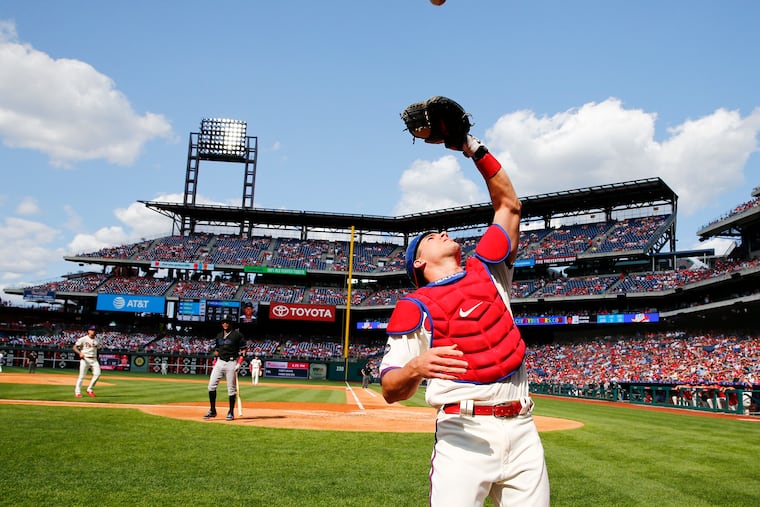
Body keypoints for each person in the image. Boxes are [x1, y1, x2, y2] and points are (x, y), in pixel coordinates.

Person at [380, 127, 550, 506]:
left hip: (522, 427)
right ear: (419, 262)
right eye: (429, 236)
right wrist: (415, 367)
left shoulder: (488, 270)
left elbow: (509, 205)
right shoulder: (415, 306)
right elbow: (391, 389)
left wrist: (471, 146)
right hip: (462, 434)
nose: (441, 232)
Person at [204, 317, 246, 421]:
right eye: (223, 322)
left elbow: (244, 350)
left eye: (227, 322)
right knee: (211, 386)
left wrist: (239, 363)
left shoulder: (237, 335)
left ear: (231, 324)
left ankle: (231, 412)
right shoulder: (219, 335)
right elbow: (217, 350)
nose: (225, 324)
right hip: (220, 362)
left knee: (231, 389)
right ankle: (212, 410)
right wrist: (214, 361)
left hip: (231, 363)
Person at [73, 325, 101, 397]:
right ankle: (77, 392)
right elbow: (74, 347)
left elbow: (98, 348)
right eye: (92, 330)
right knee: (81, 376)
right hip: (85, 359)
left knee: (97, 374)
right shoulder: (83, 339)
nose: (93, 331)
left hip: (94, 359)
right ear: (88, 331)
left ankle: (89, 389)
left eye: (94, 330)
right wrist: (80, 353)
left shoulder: (97, 340)